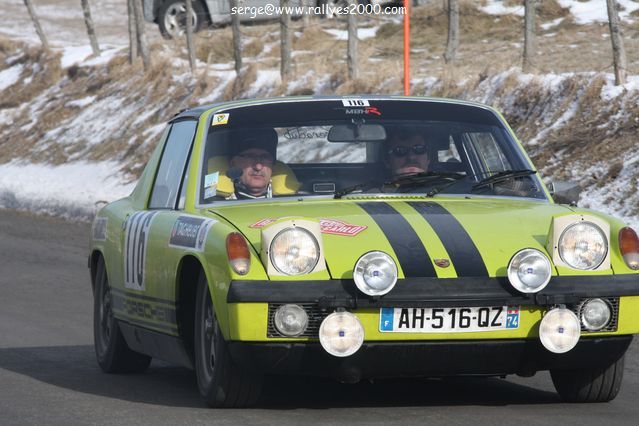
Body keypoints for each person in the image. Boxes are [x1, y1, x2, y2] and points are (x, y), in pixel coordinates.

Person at [227, 128, 278, 199]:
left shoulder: (294, 200)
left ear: (273, 165)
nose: (258, 167)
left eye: (265, 157)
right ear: (233, 163)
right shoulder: (213, 202)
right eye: (250, 157)